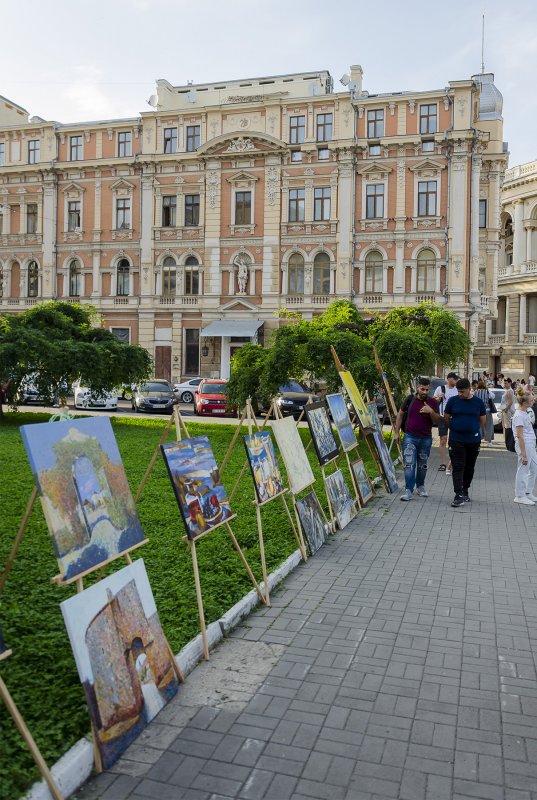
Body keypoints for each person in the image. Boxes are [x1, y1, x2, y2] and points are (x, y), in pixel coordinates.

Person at [394, 377, 440, 501]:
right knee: (409, 464)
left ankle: (420, 486)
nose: (425, 392)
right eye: (422, 389)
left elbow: (437, 420)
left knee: (422, 465)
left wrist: (431, 411)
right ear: (417, 388)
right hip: (410, 437)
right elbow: (400, 415)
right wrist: (396, 432)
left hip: (426, 438)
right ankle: (408, 490)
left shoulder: (432, 402)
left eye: (427, 389)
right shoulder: (410, 399)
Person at [444, 378, 487, 508]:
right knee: (458, 466)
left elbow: (482, 421)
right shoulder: (453, 401)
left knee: (469, 467)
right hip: (456, 439)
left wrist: (472, 428)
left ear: (470, 389)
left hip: (473, 440)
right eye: (458, 391)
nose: (460, 394)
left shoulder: (478, 402)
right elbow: (446, 417)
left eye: (462, 391)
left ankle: (465, 489)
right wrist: (455, 427)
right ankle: (458, 495)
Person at [512, 387, 537, 505]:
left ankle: (527, 492)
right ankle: (520, 495)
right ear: (525, 402)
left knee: (534, 469)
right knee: (523, 469)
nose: (533, 401)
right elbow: (520, 436)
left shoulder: (523, 412)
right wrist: (524, 454)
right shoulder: (519, 415)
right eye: (531, 400)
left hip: (530, 444)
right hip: (525, 444)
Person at [433, 372, 459, 473]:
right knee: (443, 440)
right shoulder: (440, 388)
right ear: (448, 379)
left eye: (456, 379)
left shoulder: (457, 390)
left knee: (454, 441)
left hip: (454, 417)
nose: (456, 381)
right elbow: (433, 401)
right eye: (454, 379)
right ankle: (443, 463)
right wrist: (439, 397)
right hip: (442, 417)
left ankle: (452, 463)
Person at [474, 379, 495, 445]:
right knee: (488, 426)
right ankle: (489, 442)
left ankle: (478, 440)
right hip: (487, 410)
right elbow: (493, 396)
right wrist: (487, 389)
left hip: (478, 411)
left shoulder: (475, 392)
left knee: (479, 426)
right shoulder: (487, 392)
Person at [500, 378, 516, 451]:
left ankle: (509, 444)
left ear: (510, 383)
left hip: (508, 411)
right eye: (504, 383)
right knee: (506, 427)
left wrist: (506, 410)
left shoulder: (509, 390)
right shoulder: (507, 390)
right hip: (506, 411)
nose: (505, 384)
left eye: (506, 383)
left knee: (508, 427)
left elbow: (511, 401)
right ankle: (508, 444)